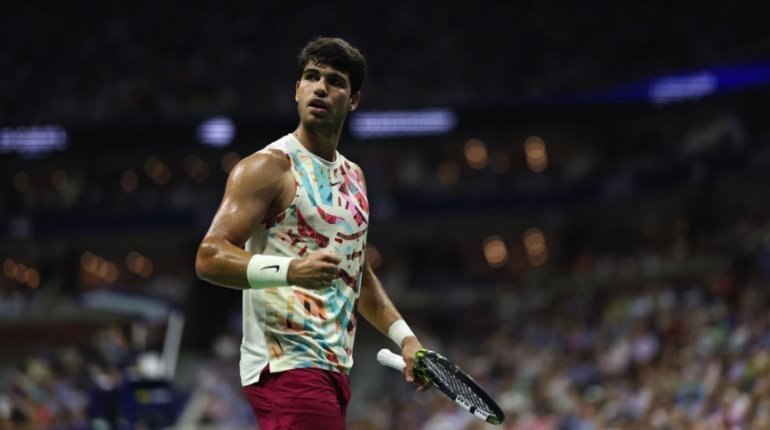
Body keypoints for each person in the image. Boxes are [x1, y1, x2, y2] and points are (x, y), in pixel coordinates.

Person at [195, 36, 427, 429]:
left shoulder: (354, 178)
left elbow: (356, 272)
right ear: (297, 90)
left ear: (353, 99)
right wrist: (292, 271)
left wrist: (406, 338)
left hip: (334, 368)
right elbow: (209, 257)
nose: (320, 87)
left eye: (335, 81)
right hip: (286, 366)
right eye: (311, 76)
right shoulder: (268, 168)